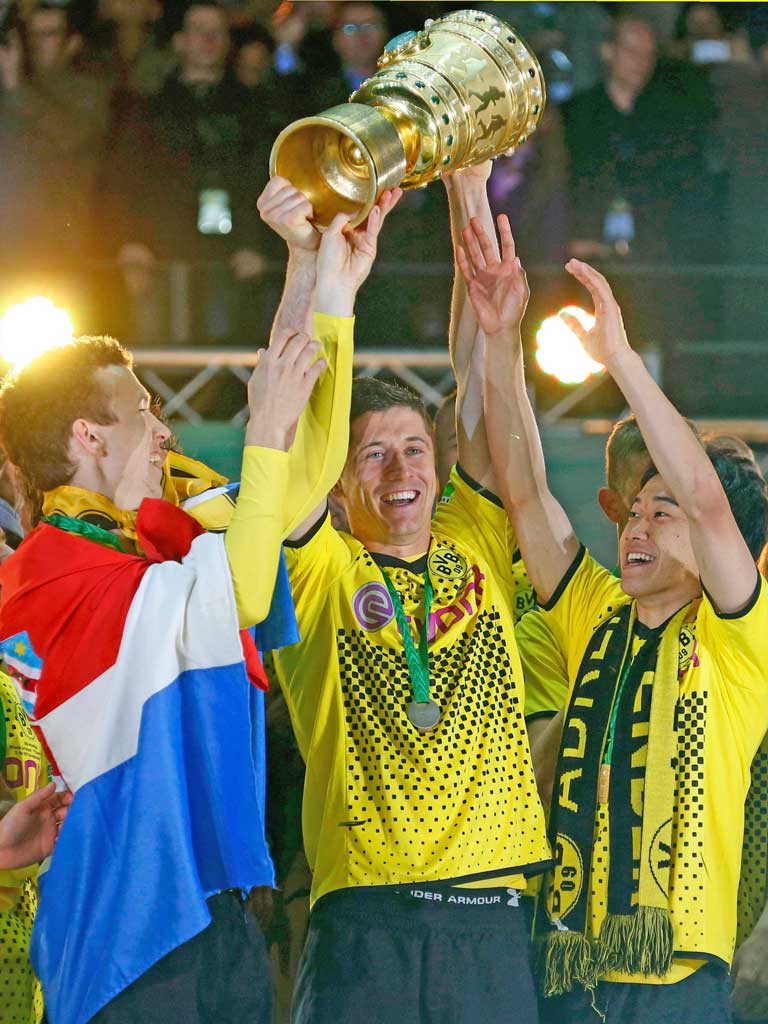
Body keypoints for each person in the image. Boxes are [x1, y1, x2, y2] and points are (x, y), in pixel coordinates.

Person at [0, 198, 391, 1023]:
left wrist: (319, 278)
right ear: (89, 437)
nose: (163, 429)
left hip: (216, 910)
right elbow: (242, 586)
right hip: (122, 933)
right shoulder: (44, 575)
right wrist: (269, 427)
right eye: (142, 410)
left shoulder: (161, 537)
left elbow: (295, 487)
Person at [260, 164, 551, 1024]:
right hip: (364, 914)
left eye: (415, 450)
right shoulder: (321, 574)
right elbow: (297, 417)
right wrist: (316, 269)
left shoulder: (477, 539)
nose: (400, 471)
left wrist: (469, 185)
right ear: (342, 480)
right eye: (374, 455)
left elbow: (483, 379)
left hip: (491, 912)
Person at [460, 213, 768, 1022]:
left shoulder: (738, 638)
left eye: (660, 513)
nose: (635, 525)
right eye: (634, 511)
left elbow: (704, 492)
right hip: (565, 967)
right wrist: (499, 340)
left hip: (678, 978)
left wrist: (620, 361)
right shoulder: (596, 610)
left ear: (710, 541)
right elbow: (524, 486)